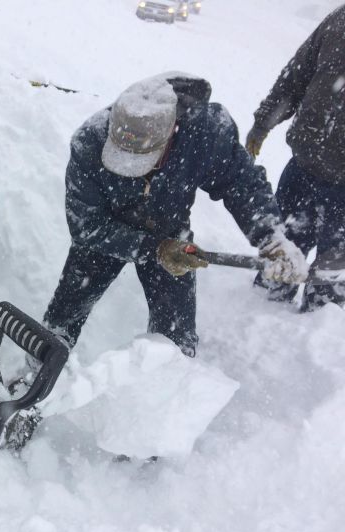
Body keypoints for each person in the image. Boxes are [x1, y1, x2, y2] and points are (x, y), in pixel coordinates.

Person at [41, 73, 307, 358]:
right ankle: (36, 374)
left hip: (170, 232)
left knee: (175, 339)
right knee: (62, 318)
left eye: (142, 160)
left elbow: (241, 183)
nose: (133, 167)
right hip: (106, 231)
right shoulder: (90, 142)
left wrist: (272, 238)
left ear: (171, 132)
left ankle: (165, 385)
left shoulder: (204, 132)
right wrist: (153, 249)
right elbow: (87, 227)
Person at [245, 4, 345, 311]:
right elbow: (296, 75)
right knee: (281, 252)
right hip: (303, 164)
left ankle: (312, 335)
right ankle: (258, 317)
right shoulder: (340, 20)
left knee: (330, 278)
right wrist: (263, 123)